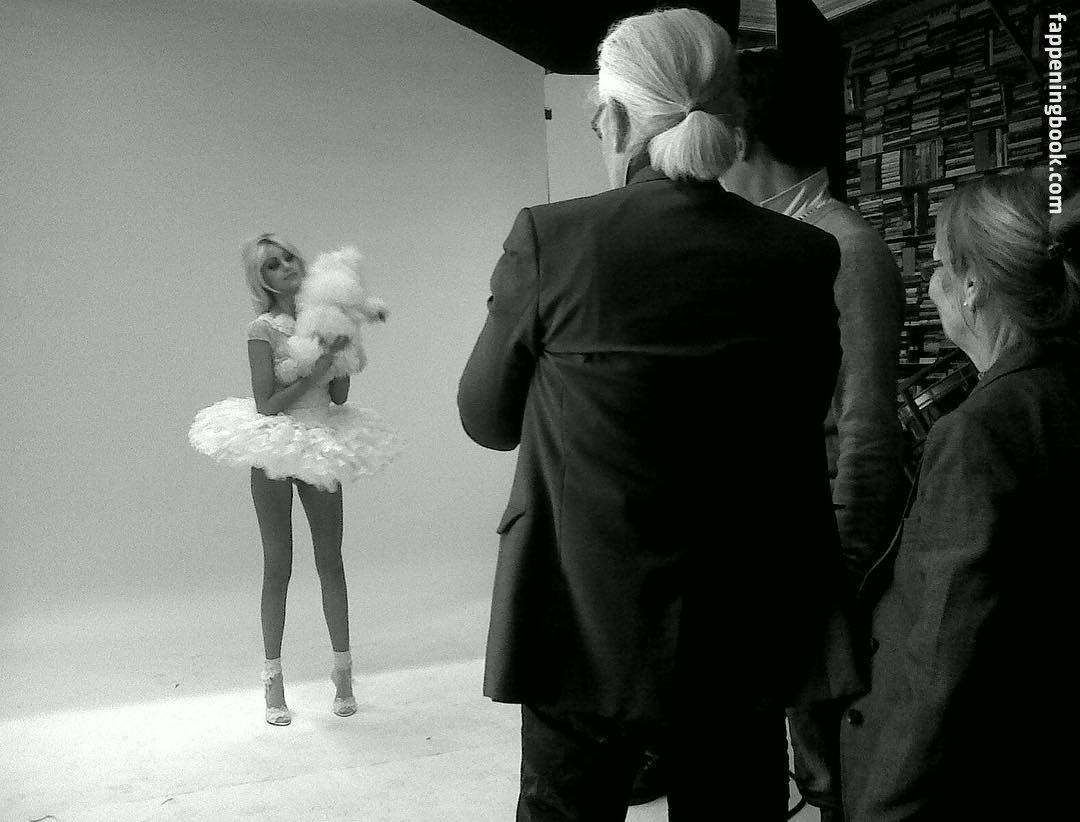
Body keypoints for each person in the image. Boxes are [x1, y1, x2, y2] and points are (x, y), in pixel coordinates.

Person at [457, 9, 862, 820]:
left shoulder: (552, 240)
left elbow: (487, 419)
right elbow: (803, 412)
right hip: (744, 623)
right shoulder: (803, 255)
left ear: (614, 118)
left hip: (582, 620)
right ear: (733, 116)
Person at [691, 47, 903, 821]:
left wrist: (839, 572)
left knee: (829, 768)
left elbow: (867, 427)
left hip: (816, 553)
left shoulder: (843, 247)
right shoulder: (768, 240)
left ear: (740, 135)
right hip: (766, 548)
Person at [840, 173, 1080, 819]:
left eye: (940, 266)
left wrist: (884, 805)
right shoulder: (1059, 388)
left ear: (973, 285)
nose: (930, 285)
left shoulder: (978, 433)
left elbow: (943, 656)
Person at [188, 233, 402, 726]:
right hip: (275, 444)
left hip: (321, 440)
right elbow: (266, 403)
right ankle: (273, 680)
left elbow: (339, 397)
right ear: (261, 280)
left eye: (288, 258)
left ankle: (343, 675)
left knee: (331, 561)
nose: (285, 267)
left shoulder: (321, 317)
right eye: (272, 265)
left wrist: (343, 351)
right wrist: (315, 370)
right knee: (277, 564)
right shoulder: (262, 329)